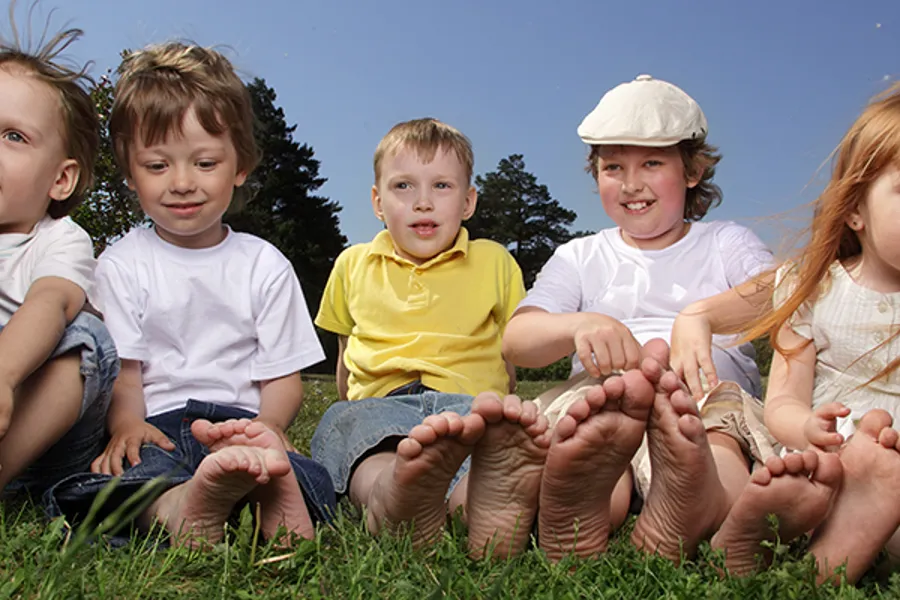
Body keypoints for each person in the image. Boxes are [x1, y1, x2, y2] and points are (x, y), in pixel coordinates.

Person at [46, 42, 335, 548]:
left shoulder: (263, 264)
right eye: (158, 166)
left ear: (240, 166)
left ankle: (267, 497)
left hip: (244, 426)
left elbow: (283, 376)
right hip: (159, 426)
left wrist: (269, 424)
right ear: (130, 172)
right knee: (127, 477)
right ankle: (182, 506)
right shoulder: (121, 263)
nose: (182, 183)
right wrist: (128, 424)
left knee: (309, 475)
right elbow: (126, 372)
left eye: (204, 163)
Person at [502, 75, 777, 562]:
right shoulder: (581, 255)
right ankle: (585, 509)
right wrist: (580, 324)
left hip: (703, 396)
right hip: (602, 400)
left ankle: (701, 499)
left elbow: (780, 290)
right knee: (590, 447)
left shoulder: (724, 242)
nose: (631, 184)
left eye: (652, 162)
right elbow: (518, 340)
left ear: (692, 171)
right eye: (613, 167)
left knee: (719, 445)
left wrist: (702, 315)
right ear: (596, 175)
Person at [311, 118, 549, 558]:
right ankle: (393, 495)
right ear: (378, 202)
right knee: (361, 443)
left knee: (482, 460)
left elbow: (510, 351)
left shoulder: (494, 261)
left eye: (441, 186)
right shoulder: (352, 264)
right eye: (403, 187)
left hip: (468, 405)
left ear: (467, 202)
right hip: (380, 406)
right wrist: (352, 405)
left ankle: (476, 508)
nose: (423, 203)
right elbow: (346, 362)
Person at [710, 83, 900, 584]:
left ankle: (834, 549)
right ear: (855, 210)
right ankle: (792, 527)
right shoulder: (814, 289)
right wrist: (808, 428)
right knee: (797, 471)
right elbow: (784, 401)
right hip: (824, 459)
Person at [0, 23, 118, 502]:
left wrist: (4, 376)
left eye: (13, 136)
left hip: (43, 445)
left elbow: (51, 301)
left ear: (61, 179)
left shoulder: (57, 241)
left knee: (86, 338)